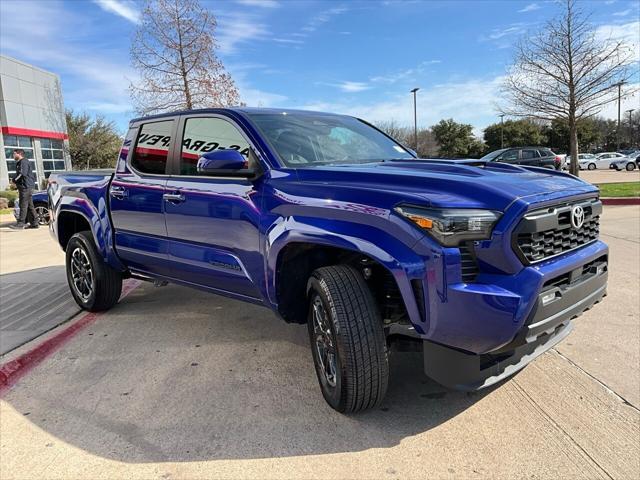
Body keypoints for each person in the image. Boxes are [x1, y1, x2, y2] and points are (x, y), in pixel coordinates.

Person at [9, 149, 39, 229]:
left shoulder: (23, 162)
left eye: (14, 154)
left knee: (23, 205)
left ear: (19, 154)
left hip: (25, 187)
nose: (13, 155)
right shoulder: (21, 162)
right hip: (26, 187)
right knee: (30, 206)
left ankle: (20, 224)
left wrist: (14, 180)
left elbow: (22, 174)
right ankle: (34, 223)